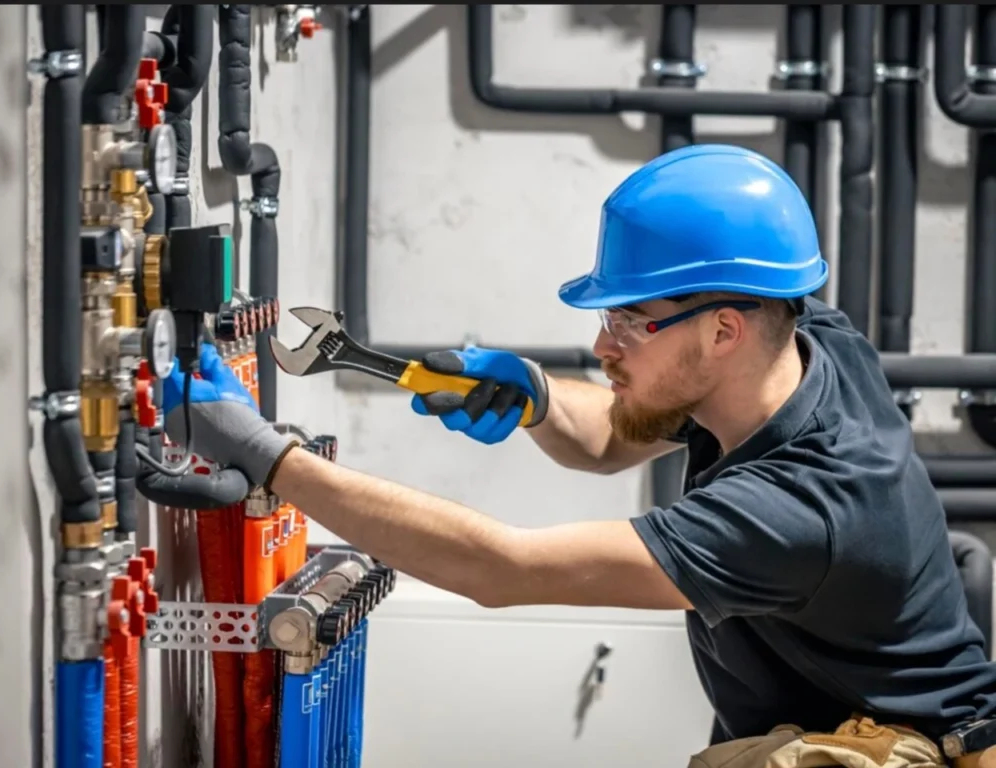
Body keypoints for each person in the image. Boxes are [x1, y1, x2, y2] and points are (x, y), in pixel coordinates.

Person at [164, 144, 996, 767]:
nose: (603, 345)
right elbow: (609, 436)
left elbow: (502, 570)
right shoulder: (807, 342)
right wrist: (537, 395)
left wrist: (271, 459)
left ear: (724, 330)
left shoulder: (801, 510)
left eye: (631, 321)